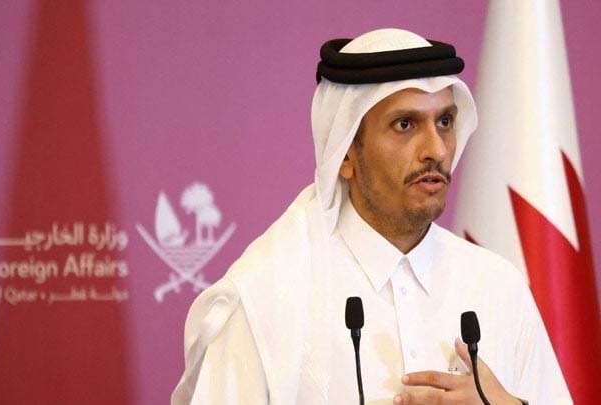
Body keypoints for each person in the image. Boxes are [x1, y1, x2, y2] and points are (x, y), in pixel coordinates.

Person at [171, 28, 571, 404]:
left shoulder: (499, 287)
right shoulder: (265, 299)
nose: (436, 149)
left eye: (445, 122)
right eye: (405, 124)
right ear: (345, 153)